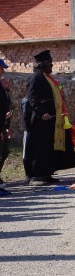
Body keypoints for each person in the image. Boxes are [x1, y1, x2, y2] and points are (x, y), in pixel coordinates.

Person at [23, 50, 75, 186]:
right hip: (40, 120)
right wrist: (42, 113)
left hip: (52, 120)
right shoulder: (35, 78)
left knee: (49, 147)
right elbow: (33, 98)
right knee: (40, 147)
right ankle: (36, 176)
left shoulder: (48, 78)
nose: (51, 66)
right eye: (49, 64)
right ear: (42, 64)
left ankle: (47, 173)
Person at [0, 58, 12, 188]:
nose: (2, 71)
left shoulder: (2, 89)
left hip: (3, 125)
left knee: (4, 152)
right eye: (1, 68)